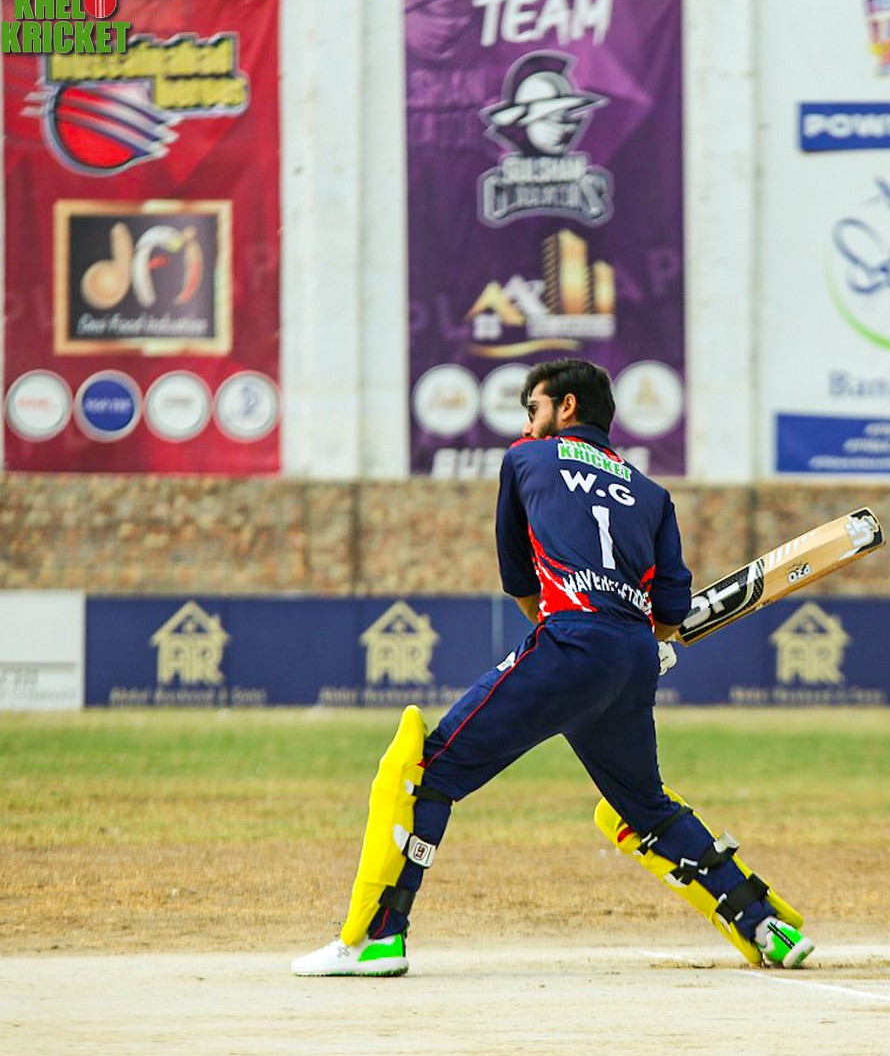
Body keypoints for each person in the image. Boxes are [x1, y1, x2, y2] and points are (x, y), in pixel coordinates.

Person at [292, 358, 813, 976]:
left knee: (426, 772)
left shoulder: (527, 459)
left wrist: (576, 637)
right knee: (645, 807)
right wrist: (638, 643)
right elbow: (671, 609)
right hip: (631, 656)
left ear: (566, 407)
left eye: (533, 407)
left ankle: (376, 939)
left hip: (569, 640)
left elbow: (520, 580)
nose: (527, 422)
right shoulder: (652, 495)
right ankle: (768, 928)